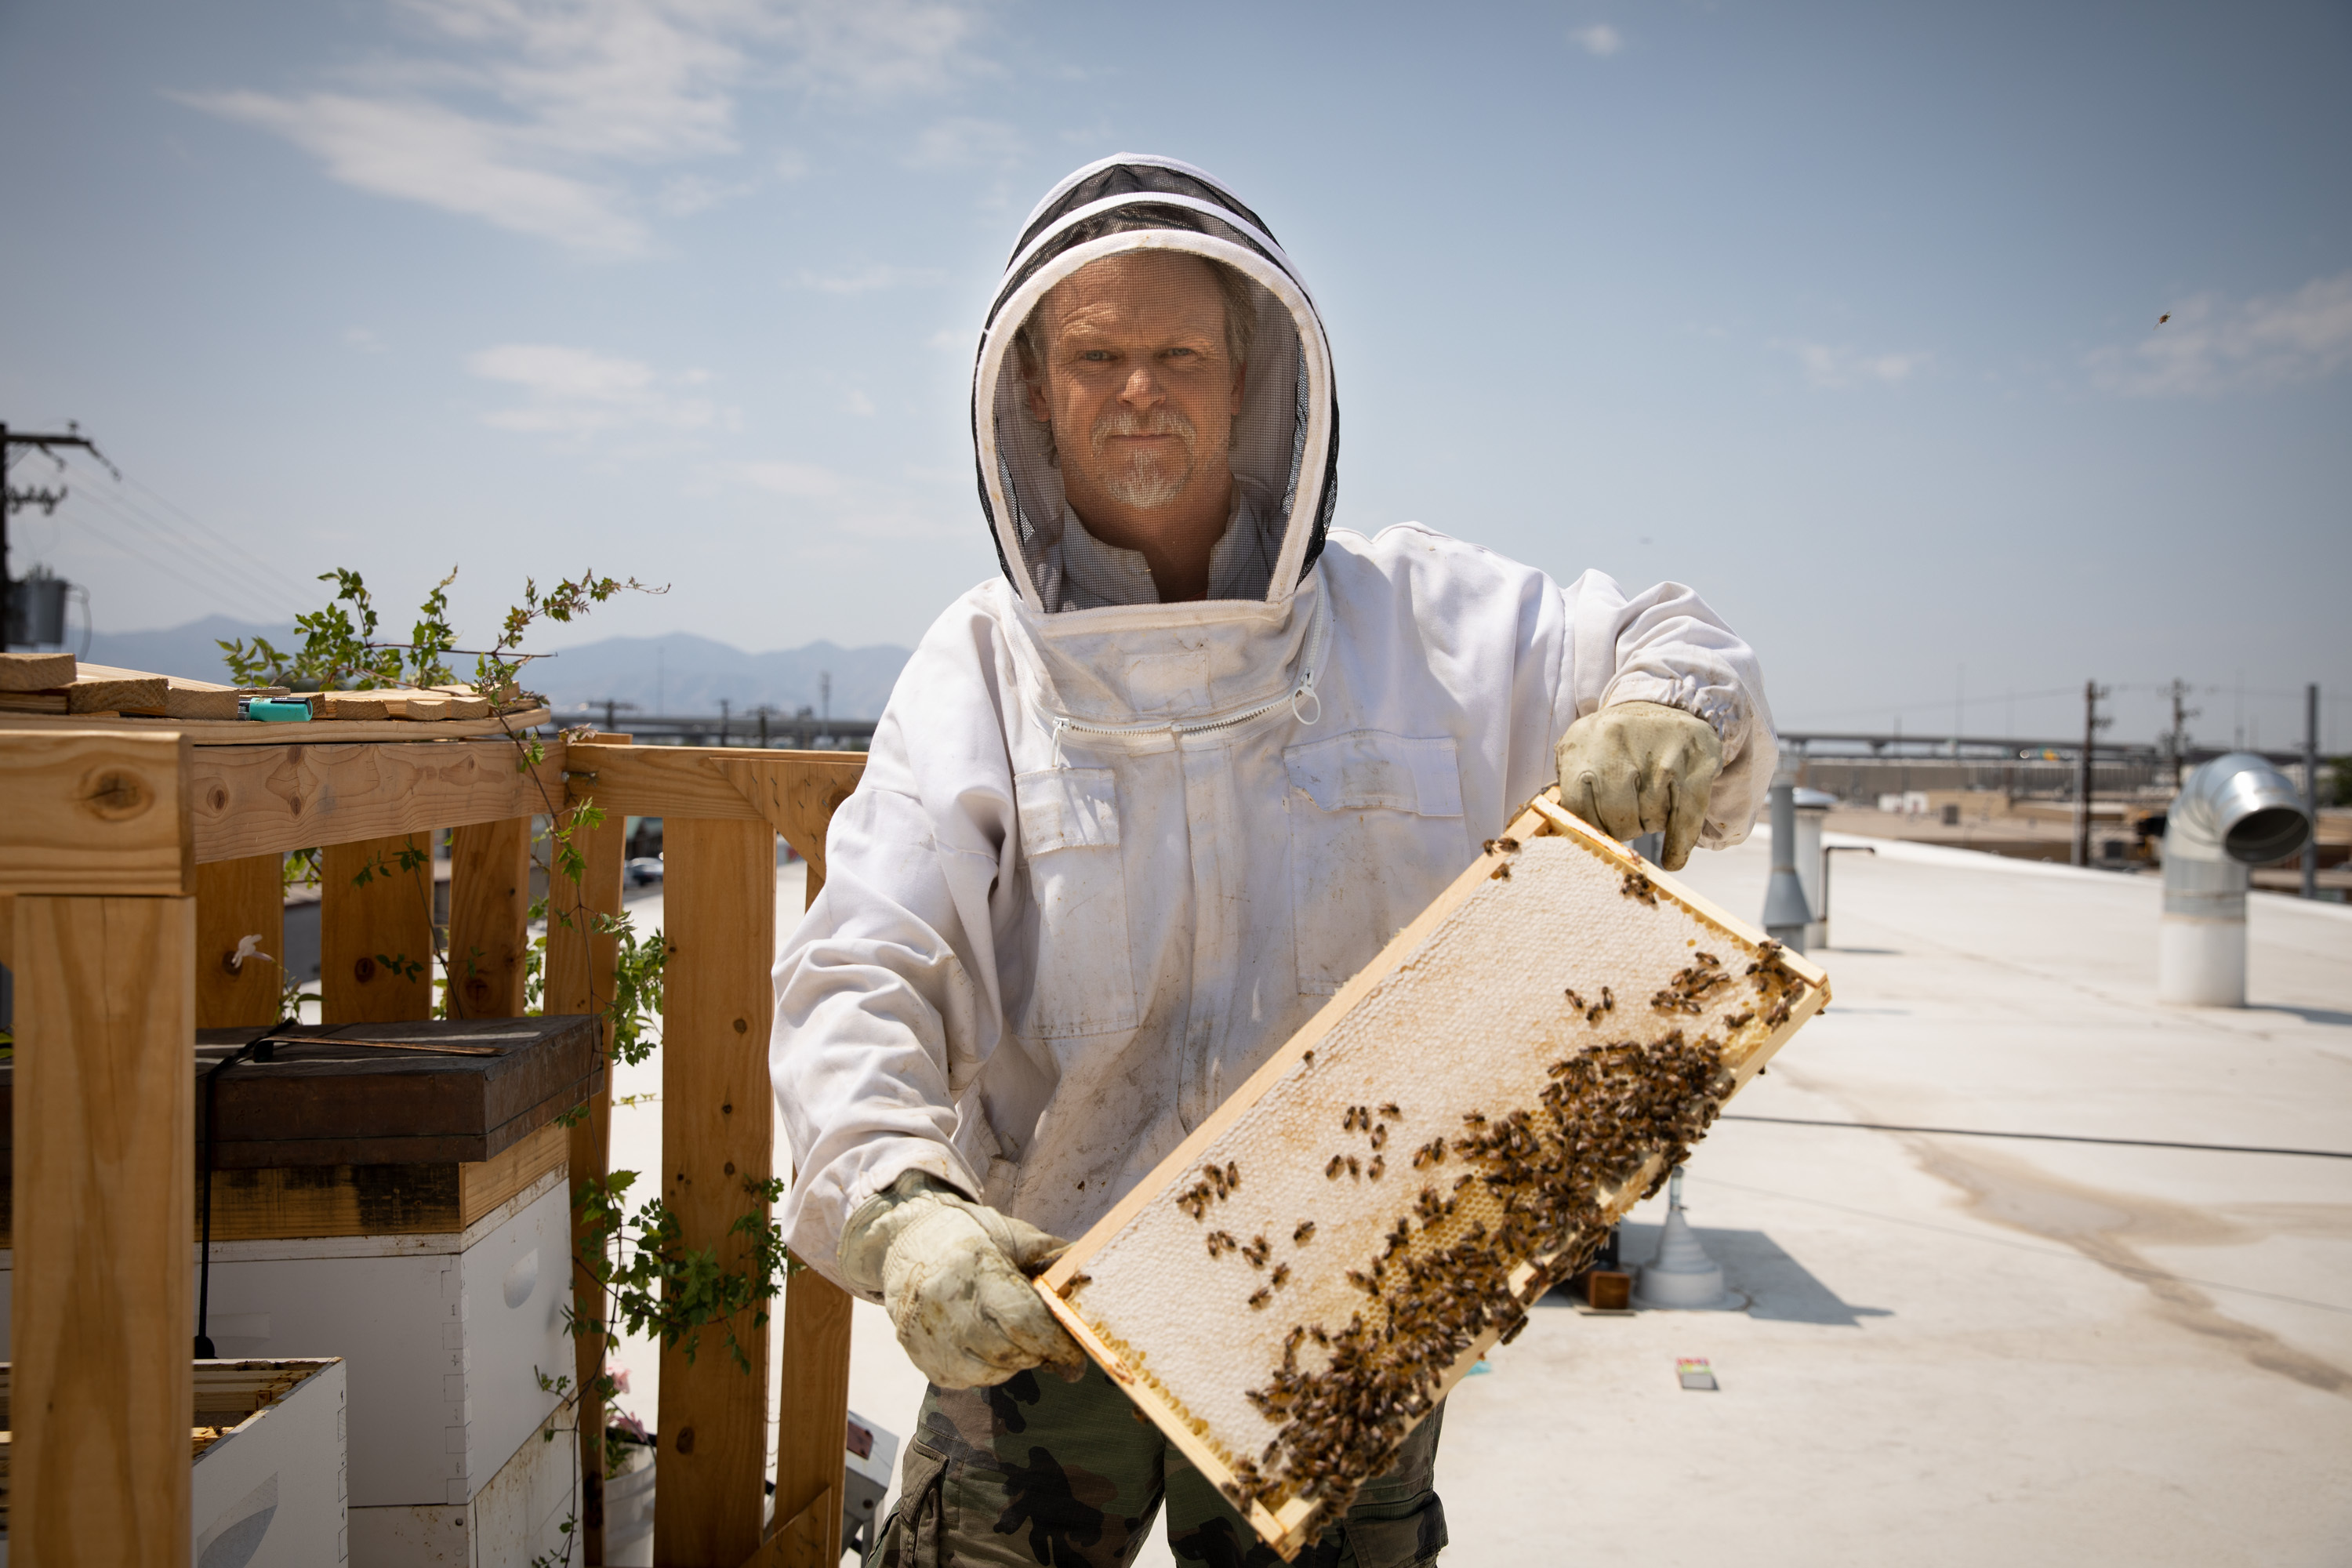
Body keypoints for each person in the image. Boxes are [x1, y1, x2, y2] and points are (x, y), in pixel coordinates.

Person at [772, 155, 1777, 1568]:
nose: (1138, 389)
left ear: (1252, 378)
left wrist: (1677, 710)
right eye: (1095, 356)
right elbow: (864, 962)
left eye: (1177, 352)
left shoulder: (1426, 621)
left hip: (1349, 1293)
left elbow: (1680, 643)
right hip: (1046, 1292)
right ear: (1033, 399)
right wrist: (897, 1215)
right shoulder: (981, 670)